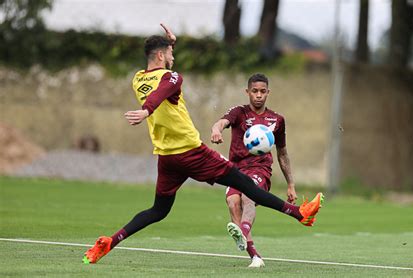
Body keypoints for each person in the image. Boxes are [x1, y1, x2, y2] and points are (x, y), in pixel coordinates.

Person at [82, 24, 324, 265]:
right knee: (246, 184)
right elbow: (164, 87)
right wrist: (147, 110)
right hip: (191, 151)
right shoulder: (172, 78)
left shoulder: (137, 79)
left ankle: (109, 242)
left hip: (167, 157)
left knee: (158, 211)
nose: (173, 57)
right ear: (160, 55)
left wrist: (169, 44)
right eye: (170, 53)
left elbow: (157, 82)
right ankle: (299, 214)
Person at [211, 73, 299, 268]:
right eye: (254, 91)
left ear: (268, 93)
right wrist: (216, 130)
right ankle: (255, 257)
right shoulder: (238, 113)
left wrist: (290, 184)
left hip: (260, 168)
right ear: (247, 92)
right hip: (235, 169)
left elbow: (282, 154)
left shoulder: (277, 120)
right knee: (233, 203)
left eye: (262, 91)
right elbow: (221, 122)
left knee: (247, 197)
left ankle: (242, 229)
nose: (258, 95)